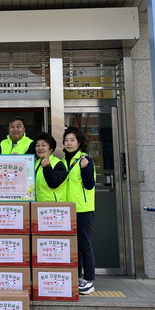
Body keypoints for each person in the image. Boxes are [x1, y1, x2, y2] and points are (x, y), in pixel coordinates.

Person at [62, 126, 96, 295]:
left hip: (83, 208)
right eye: (66, 140)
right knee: (74, 246)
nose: (69, 143)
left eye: (72, 140)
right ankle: (77, 277)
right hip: (67, 209)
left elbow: (89, 185)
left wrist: (84, 169)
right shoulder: (64, 161)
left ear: (79, 142)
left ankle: (89, 280)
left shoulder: (85, 159)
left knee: (84, 244)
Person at [33, 132, 68, 202]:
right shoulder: (35, 163)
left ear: (51, 148)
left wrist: (47, 167)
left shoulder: (58, 163)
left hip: (54, 205)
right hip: (38, 204)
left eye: (43, 145)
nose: (40, 148)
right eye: (37, 145)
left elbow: (54, 184)